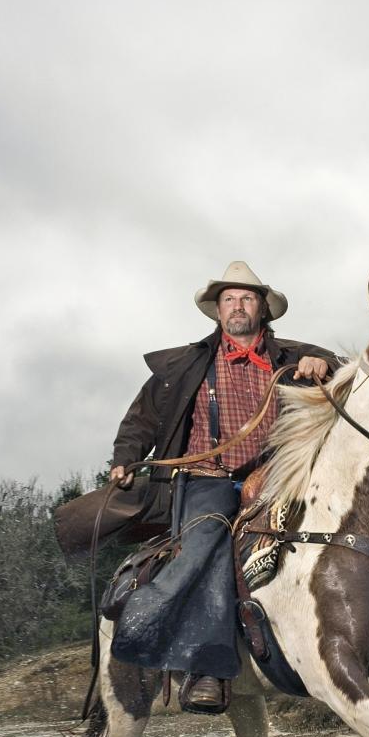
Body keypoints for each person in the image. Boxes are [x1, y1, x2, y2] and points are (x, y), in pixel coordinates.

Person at [107, 261, 335, 713]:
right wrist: (125, 459)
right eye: (229, 298)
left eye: (247, 298)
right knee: (209, 541)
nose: (237, 306)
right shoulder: (189, 364)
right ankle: (204, 665)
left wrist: (325, 363)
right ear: (217, 310)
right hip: (207, 479)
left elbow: (352, 376)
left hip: (276, 477)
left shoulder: (291, 358)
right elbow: (142, 419)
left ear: (263, 309)